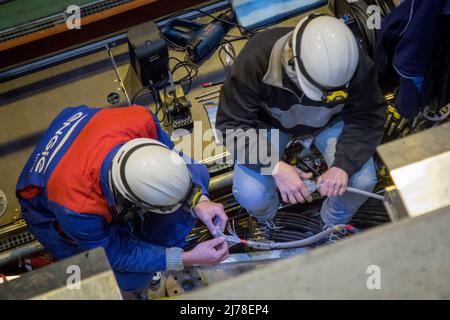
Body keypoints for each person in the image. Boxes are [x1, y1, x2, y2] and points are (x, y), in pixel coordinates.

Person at [16, 105, 229, 292]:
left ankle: (153, 255)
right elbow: (115, 254)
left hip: (87, 146)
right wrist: (182, 259)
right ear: (130, 203)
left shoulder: (141, 120)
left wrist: (200, 200)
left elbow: (177, 160)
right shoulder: (76, 206)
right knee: (132, 279)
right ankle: (148, 263)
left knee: (198, 174)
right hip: (49, 211)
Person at [216, 14, 386, 228]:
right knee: (252, 194)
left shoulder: (351, 61)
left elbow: (368, 115)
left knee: (361, 182)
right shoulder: (256, 59)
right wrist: (274, 167)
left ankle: (332, 223)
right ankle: (267, 221)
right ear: (292, 63)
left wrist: (343, 166)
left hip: (330, 121)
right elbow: (231, 126)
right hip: (272, 123)